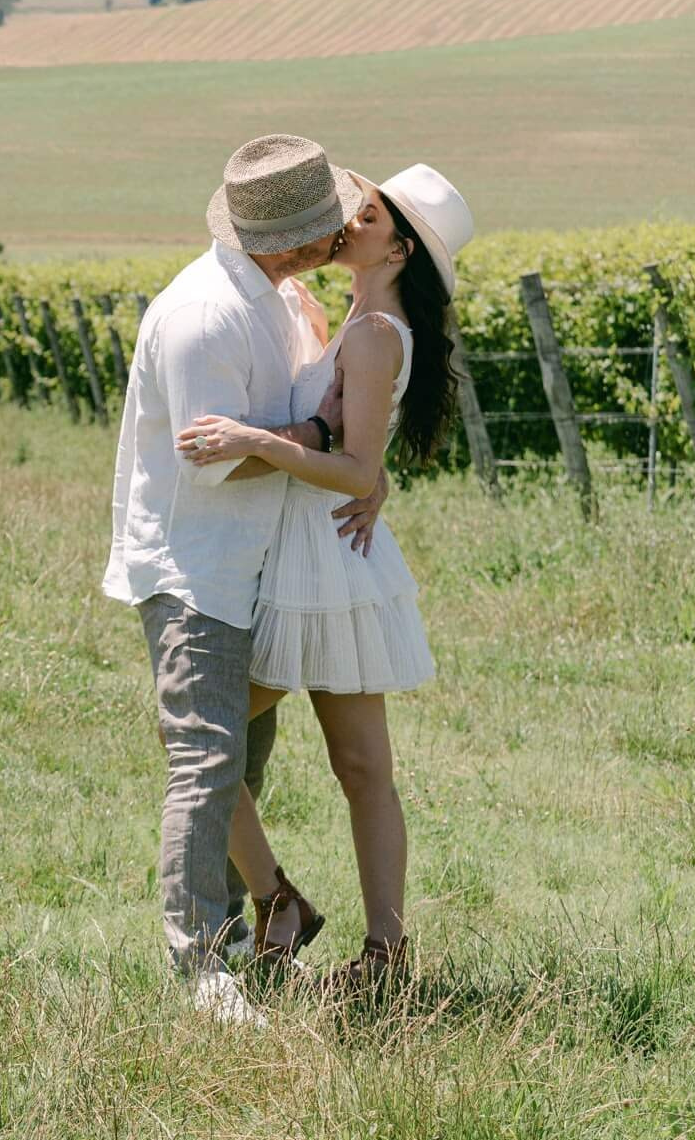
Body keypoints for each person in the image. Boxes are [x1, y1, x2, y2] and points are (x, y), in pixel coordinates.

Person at [103, 134, 387, 1026]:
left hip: (256, 560)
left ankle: (246, 932)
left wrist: (352, 459)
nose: (338, 234)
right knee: (206, 760)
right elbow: (218, 458)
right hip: (196, 563)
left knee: (244, 765)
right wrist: (317, 438)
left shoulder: (279, 298)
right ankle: (199, 969)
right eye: (325, 225)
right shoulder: (203, 315)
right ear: (289, 239)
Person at [176, 164, 475, 991]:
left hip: (326, 560)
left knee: (210, 737)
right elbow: (358, 451)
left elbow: (354, 470)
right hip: (319, 553)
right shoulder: (355, 320)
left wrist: (254, 440)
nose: (349, 221)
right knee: (357, 768)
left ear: (400, 250)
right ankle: (364, 943)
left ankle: (300, 910)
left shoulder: (375, 333)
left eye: (368, 216)